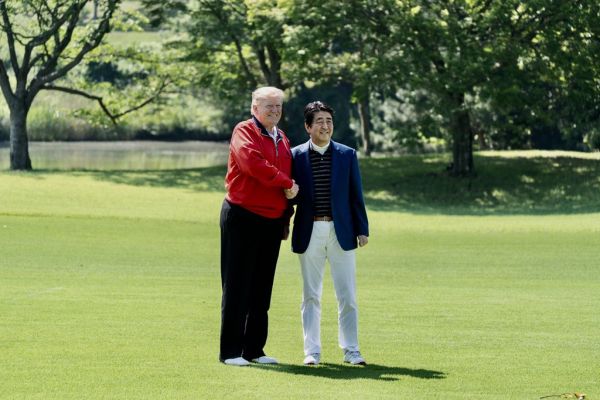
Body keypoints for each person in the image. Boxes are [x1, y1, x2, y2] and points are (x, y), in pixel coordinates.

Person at [219, 86, 299, 366]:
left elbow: (288, 180)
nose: (274, 111)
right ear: (255, 108)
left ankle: (253, 349)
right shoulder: (244, 131)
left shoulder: (284, 138)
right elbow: (253, 164)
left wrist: (286, 217)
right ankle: (230, 351)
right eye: (268, 106)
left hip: (271, 220)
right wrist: (287, 183)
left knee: (261, 288)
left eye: (278, 106)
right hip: (242, 215)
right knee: (237, 284)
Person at [290, 101, 369, 366]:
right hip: (309, 229)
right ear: (308, 127)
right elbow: (288, 197)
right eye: (320, 121)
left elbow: (355, 195)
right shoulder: (295, 156)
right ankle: (311, 352)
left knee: (347, 294)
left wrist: (362, 229)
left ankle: (352, 350)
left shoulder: (347, 155)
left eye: (329, 121)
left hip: (341, 231)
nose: (325, 126)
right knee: (311, 295)